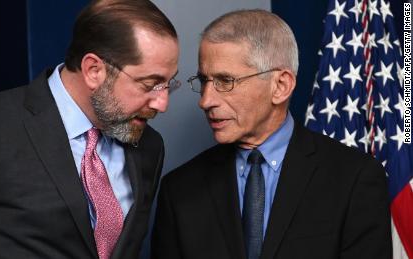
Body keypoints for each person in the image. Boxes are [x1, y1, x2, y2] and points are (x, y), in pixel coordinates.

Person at [152, 9, 391, 259]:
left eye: (225, 81)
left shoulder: (354, 178)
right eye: (204, 81)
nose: (206, 100)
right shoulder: (179, 190)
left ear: (280, 86)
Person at [0, 0, 179, 258]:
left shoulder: (149, 146)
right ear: (94, 70)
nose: (162, 104)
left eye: (168, 85)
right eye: (149, 84)